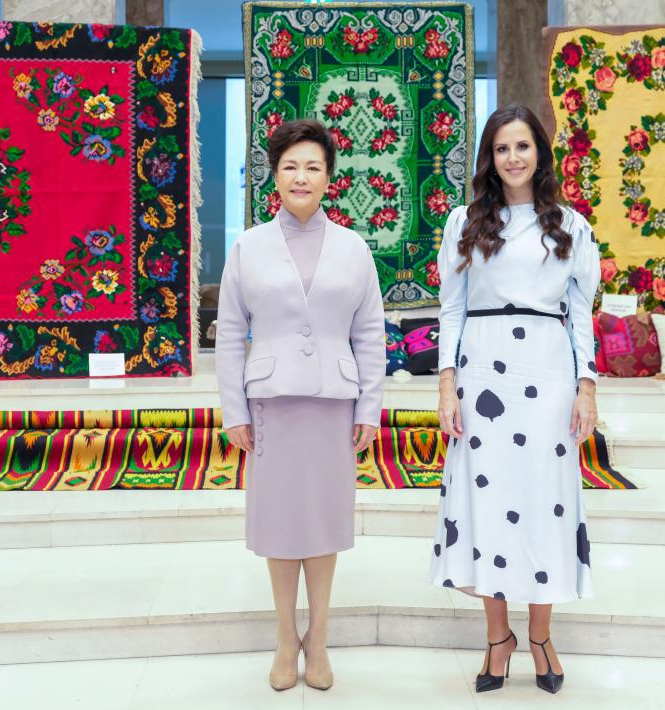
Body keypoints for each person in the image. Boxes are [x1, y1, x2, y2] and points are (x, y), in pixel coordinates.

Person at [429, 104, 600, 694]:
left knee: (543, 501)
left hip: (547, 374)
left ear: (540, 152)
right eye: (502, 148)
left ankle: (542, 636)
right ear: (489, 157)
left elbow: (581, 314)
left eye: (523, 146)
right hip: (483, 374)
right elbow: (451, 307)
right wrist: (447, 383)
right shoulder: (464, 222)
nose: (513, 158)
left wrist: (587, 388)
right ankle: (498, 638)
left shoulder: (572, 226)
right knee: (492, 500)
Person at [216, 119, 386, 691]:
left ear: (330, 178)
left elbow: (370, 334)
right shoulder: (248, 246)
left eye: (313, 166)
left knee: (323, 520)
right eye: (291, 166)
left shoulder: (354, 247)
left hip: (334, 405)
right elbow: (230, 331)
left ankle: (321, 637)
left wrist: (369, 409)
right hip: (271, 404)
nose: (301, 176)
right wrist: (234, 410)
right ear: (275, 176)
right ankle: (286, 637)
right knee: (281, 522)